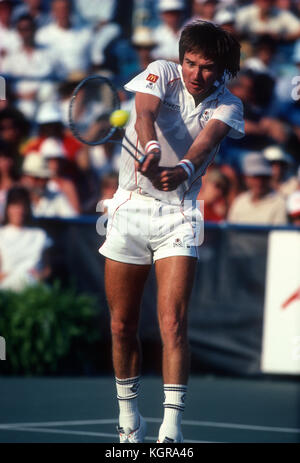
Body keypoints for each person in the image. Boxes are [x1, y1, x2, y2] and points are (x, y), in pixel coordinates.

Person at [99, 20, 244, 443]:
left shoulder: (229, 105)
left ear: (223, 70)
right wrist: (152, 150)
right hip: (129, 206)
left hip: (180, 213)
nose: (195, 73)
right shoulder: (161, 71)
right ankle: (130, 420)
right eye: (190, 62)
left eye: (207, 66)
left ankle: (171, 431)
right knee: (121, 325)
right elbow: (143, 112)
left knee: (173, 322)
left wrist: (180, 170)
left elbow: (205, 145)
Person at [0, 186, 52, 291]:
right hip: (8, 286)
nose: (20, 210)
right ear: (7, 208)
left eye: (23, 206)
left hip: (34, 285)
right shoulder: (2, 235)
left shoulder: (39, 235)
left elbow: (48, 268)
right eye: (15, 206)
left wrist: (40, 276)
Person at [227, 151, 287, 224]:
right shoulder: (239, 202)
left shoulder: (279, 203)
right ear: (246, 178)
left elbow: (279, 234)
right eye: (255, 177)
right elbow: (230, 231)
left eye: (263, 177)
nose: (259, 182)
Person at [21, 151, 78, 218]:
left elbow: (72, 220)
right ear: (25, 178)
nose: (41, 182)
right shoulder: (16, 199)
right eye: (36, 178)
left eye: (44, 178)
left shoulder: (57, 197)